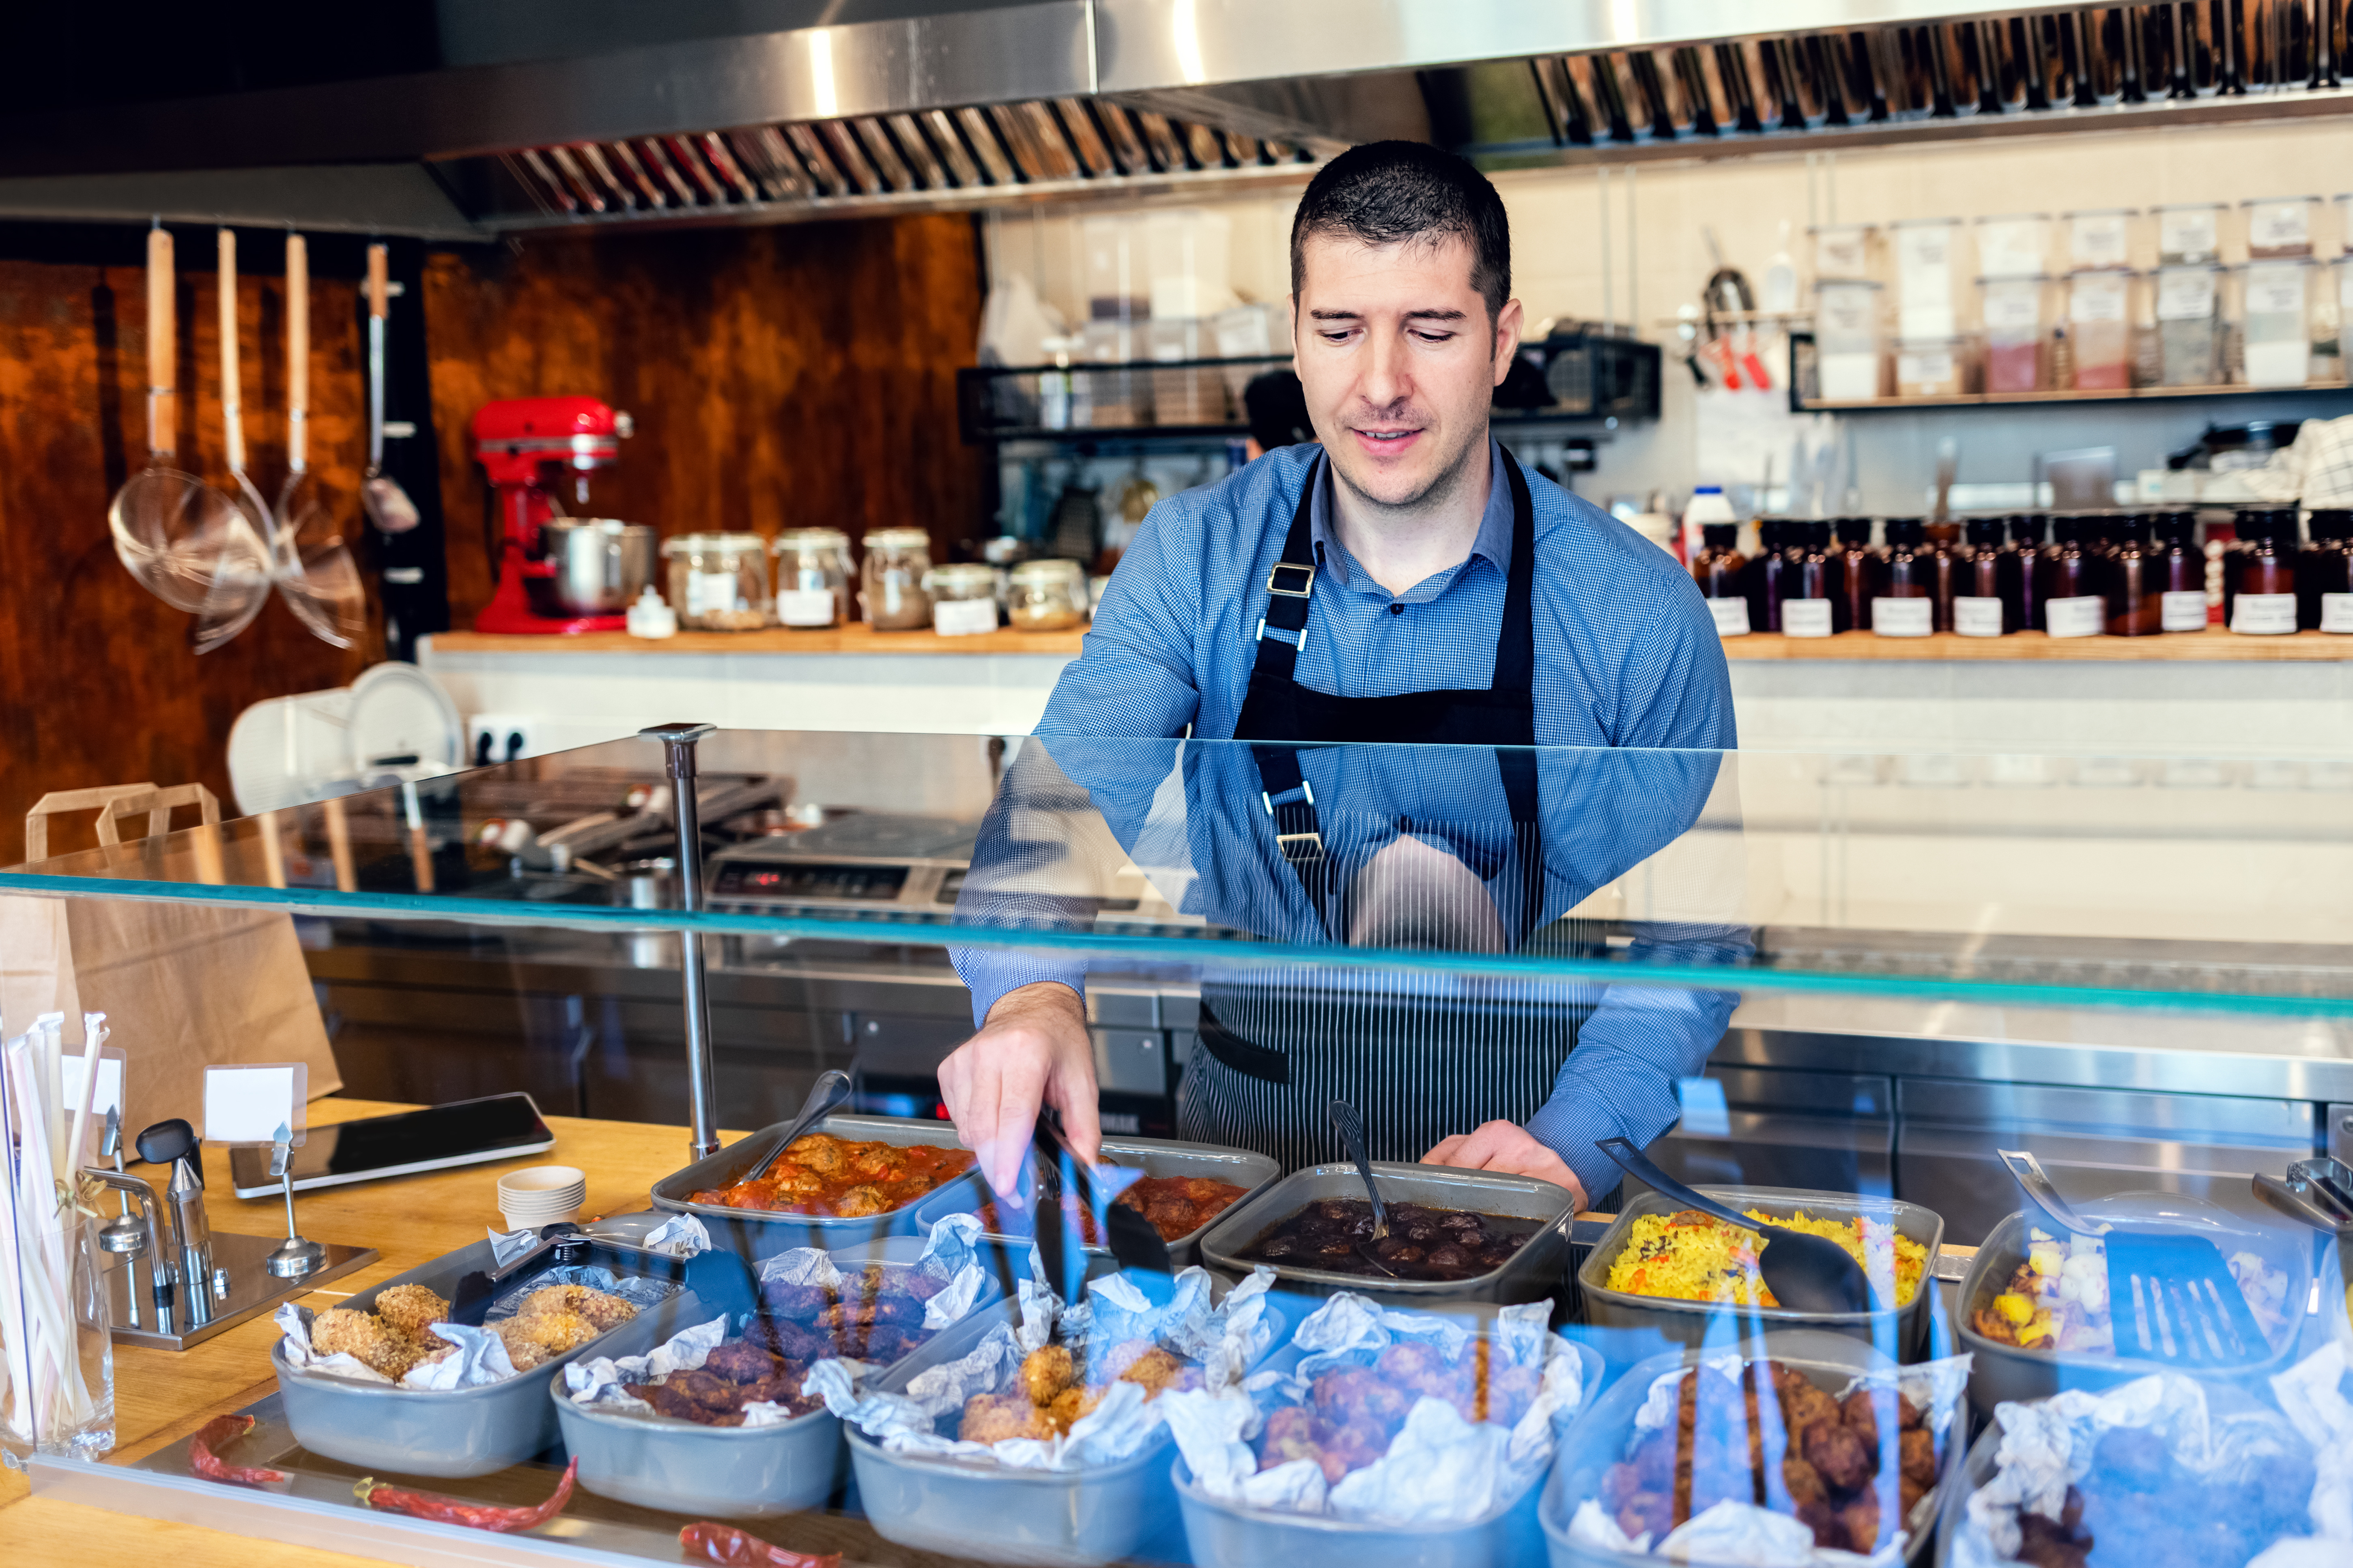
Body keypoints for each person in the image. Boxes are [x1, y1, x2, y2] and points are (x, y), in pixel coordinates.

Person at [939, 141, 1737, 1211]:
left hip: (1530, 1166)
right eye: (1341, 329)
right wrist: (1030, 993)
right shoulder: (1196, 556)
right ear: (1296, 337)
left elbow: (1701, 929)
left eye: (1433, 330)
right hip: (1246, 1160)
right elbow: (1065, 795)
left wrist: (1578, 1138)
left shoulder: (1637, 609)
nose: (1381, 385)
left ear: (1502, 340)